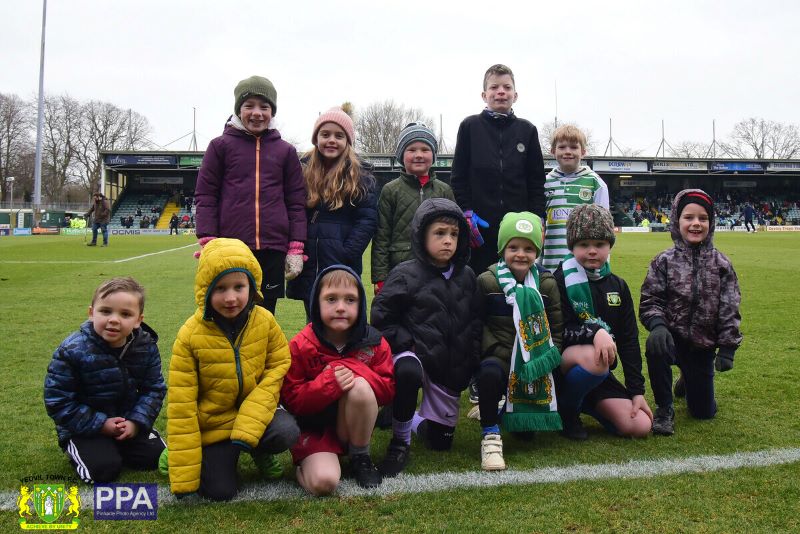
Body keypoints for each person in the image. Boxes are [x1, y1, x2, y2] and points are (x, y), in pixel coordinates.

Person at [167, 238, 299, 501]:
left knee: (286, 431)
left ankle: (257, 448)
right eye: (220, 288)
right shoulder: (189, 335)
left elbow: (278, 365)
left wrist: (251, 421)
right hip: (216, 424)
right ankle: (184, 452)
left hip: (258, 412)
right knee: (219, 492)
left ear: (252, 286)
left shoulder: (265, 321)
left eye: (239, 286)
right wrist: (183, 474)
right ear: (206, 290)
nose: (230, 298)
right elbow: (181, 405)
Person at [371, 198, 481, 477]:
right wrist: (406, 343)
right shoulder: (405, 274)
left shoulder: (467, 276)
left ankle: (409, 417)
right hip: (414, 355)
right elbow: (382, 317)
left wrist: (472, 355)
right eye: (440, 233)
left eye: (454, 234)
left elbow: (476, 319)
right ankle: (400, 441)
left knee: (440, 442)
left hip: (448, 365)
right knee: (407, 370)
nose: (448, 241)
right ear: (422, 235)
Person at [194, 75, 307, 314]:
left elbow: (296, 201)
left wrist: (295, 247)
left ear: (272, 112)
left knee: (265, 313)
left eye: (264, 107)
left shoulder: (286, 151)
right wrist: (208, 240)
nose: (257, 113)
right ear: (238, 109)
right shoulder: (219, 147)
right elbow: (206, 195)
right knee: (231, 311)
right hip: (232, 248)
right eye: (249, 106)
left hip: (273, 249)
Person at [282, 266, 394, 494]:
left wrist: (353, 368)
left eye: (350, 300)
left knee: (360, 386)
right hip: (315, 431)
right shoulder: (301, 344)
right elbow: (291, 400)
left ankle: (360, 455)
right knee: (324, 483)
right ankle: (306, 464)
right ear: (316, 303)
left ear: (361, 305)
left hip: (351, 428)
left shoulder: (374, 342)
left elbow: (388, 391)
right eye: (331, 299)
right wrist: (328, 384)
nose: (341, 307)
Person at [640, 189, 742, 436]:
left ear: (711, 223)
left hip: (702, 346)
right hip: (671, 339)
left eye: (703, 218)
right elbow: (650, 299)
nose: (696, 223)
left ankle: (688, 378)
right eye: (689, 217)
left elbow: (730, 307)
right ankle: (665, 408)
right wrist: (658, 325)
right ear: (677, 221)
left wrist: (727, 347)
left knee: (704, 413)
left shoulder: (722, 264)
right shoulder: (663, 261)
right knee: (656, 347)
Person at [44, 277, 166, 483]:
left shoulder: (145, 346)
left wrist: (136, 423)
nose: (114, 319)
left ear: (138, 320)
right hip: (85, 428)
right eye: (106, 311)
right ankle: (87, 449)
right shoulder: (71, 350)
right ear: (92, 313)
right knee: (103, 470)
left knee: (157, 456)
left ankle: (121, 443)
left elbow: (153, 389)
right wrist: (101, 424)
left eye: (125, 314)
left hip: (126, 421)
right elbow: (58, 401)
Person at [553, 204, 652, 440]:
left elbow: (628, 340)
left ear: (609, 245)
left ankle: (587, 399)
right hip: (564, 367)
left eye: (599, 244)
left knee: (639, 426)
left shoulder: (618, 285)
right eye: (583, 244)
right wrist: (594, 332)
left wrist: (637, 391)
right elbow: (558, 332)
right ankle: (567, 411)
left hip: (600, 371)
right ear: (572, 246)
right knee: (595, 359)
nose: (592, 251)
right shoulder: (558, 280)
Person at [473, 212, 563, 471]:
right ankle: (490, 436)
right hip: (498, 353)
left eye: (528, 248)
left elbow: (556, 327)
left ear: (537, 251)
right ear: (502, 249)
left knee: (525, 433)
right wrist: (496, 353)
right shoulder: (487, 280)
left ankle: (502, 411)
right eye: (513, 247)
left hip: (533, 359)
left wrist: (546, 359)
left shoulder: (546, 283)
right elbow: (478, 325)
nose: (520, 254)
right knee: (490, 375)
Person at [450, 63, 547, 275]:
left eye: (506, 87)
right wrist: (466, 212)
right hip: (479, 230)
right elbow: (458, 177)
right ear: (484, 95)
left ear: (515, 94)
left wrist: (538, 217)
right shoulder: (469, 126)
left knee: (516, 287)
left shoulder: (528, 130)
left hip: (518, 229)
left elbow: (536, 181)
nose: (501, 92)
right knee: (479, 287)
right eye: (494, 87)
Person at [286, 107, 377, 318]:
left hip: (341, 261)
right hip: (309, 260)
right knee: (313, 319)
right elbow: (294, 211)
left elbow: (367, 220)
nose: (331, 140)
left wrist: (346, 253)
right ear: (316, 138)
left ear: (348, 141)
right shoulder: (302, 171)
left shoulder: (360, 175)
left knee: (345, 318)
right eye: (325, 134)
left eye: (339, 135)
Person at [371, 123, 455, 294]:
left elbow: (455, 233)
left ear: (433, 155)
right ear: (402, 155)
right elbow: (381, 236)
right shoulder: (390, 190)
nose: (418, 155)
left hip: (437, 269)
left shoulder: (444, 190)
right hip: (400, 270)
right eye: (411, 150)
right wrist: (380, 277)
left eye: (425, 149)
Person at [541, 125, 609, 272]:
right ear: (553, 151)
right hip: (549, 267)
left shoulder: (596, 184)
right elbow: (540, 226)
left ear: (583, 152)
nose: (567, 152)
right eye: (562, 147)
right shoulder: (545, 183)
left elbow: (604, 230)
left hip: (583, 268)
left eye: (573, 147)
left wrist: (603, 267)